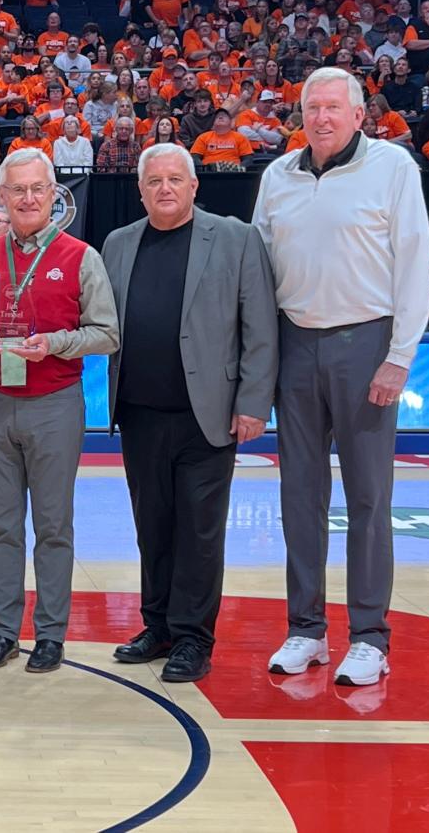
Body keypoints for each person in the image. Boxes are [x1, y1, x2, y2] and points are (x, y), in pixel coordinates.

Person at [253, 67, 429, 687]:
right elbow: (259, 272)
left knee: (367, 498)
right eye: (311, 108)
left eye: (334, 107)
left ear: (360, 115)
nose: (321, 118)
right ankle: (306, 630)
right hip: (296, 345)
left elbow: (414, 263)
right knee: (299, 498)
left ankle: (369, 636)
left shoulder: (393, 167)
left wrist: (400, 354)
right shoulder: (278, 176)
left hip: (367, 342)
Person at [100, 144, 278, 682]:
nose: (165, 189)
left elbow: (261, 328)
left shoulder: (236, 238)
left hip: (210, 415)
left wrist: (252, 403)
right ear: (140, 189)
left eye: (175, 178)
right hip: (138, 412)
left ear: (195, 185)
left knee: (199, 532)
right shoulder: (117, 244)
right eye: (154, 180)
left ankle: (194, 639)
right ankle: (158, 625)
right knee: (152, 527)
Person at [0, 148, 119, 672]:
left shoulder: (81, 256)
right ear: (1, 197)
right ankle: (4, 631)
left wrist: (56, 344)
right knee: (1, 526)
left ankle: (50, 634)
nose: (27, 198)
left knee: (52, 526)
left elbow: (107, 334)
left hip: (54, 405)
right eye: (16, 190)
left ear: (53, 195)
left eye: (36, 189)